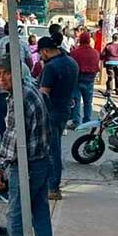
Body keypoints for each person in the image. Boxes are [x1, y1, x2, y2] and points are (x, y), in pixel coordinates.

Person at [0, 55, 53, 236]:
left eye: (5, 74)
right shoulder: (29, 88)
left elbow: (12, 137)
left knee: (14, 217)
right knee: (40, 213)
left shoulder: (20, 96)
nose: (1, 79)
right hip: (41, 161)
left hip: (28, 166)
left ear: (15, 73)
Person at [39, 33, 79, 200]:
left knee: (51, 149)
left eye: (41, 53)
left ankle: (53, 187)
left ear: (45, 51)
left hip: (52, 111)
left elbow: (44, 92)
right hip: (64, 109)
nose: (41, 57)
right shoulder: (71, 62)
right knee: (55, 147)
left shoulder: (51, 67)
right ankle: (52, 183)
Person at [0, 23, 33, 138]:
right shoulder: (22, 46)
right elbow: (29, 67)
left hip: (1, 88)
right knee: (15, 114)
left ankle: (1, 132)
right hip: (18, 90)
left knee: (0, 111)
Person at [69, 32, 100, 128]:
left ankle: (76, 121)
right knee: (88, 102)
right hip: (90, 79)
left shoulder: (75, 52)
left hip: (77, 79)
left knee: (76, 101)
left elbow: (71, 67)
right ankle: (87, 121)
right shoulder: (95, 53)